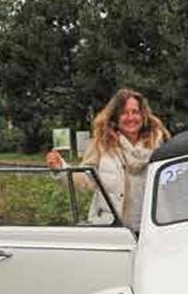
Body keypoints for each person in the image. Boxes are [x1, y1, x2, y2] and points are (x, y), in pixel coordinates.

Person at [46, 89, 170, 232]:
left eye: (135, 112)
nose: (130, 118)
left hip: (153, 230)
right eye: (124, 113)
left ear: (143, 115)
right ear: (115, 117)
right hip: (113, 230)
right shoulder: (102, 144)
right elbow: (85, 180)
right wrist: (61, 168)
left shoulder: (161, 144)